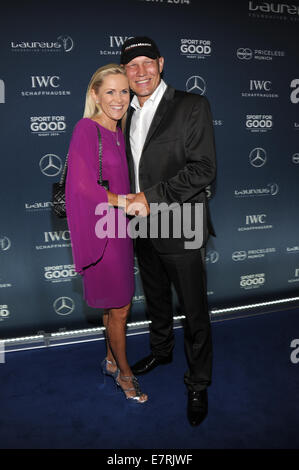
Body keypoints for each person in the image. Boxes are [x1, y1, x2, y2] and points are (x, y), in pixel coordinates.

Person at [120, 37, 216, 424]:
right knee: (156, 298)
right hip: (142, 226)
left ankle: (198, 382)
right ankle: (162, 351)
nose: (141, 72)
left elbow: (203, 169)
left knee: (194, 310)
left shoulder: (191, 105)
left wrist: (149, 196)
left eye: (147, 62)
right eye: (132, 65)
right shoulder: (121, 111)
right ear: (124, 72)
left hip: (181, 222)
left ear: (161, 63)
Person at [65, 64, 147, 404]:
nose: (118, 98)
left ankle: (112, 360)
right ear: (95, 95)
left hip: (119, 229)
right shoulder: (87, 129)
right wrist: (123, 202)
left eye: (124, 91)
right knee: (122, 307)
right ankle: (125, 374)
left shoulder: (119, 131)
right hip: (103, 229)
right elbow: (81, 185)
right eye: (110, 91)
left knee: (115, 306)